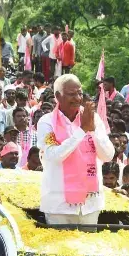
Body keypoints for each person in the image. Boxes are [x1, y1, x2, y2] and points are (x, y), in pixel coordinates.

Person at [36, 74, 114, 225]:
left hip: (90, 205)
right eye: (71, 94)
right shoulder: (46, 122)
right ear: (58, 96)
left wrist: (91, 130)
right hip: (59, 206)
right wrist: (82, 130)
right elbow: (54, 155)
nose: (78, 98)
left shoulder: (93, 118)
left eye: (79, 93)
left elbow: (108, 155)